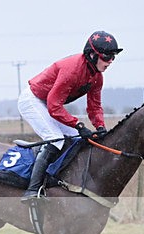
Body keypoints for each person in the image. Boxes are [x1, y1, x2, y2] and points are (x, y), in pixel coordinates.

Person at [17, 30, 122, 201]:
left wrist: (100, 127)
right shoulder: (72, 70)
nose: (110, 61)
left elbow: (94, 107)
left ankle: (61, 181)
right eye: (106, 56)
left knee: (78, 140)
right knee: (56, 139)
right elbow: (54, 106)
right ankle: (32, 189)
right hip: (33, 100)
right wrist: (79, 125)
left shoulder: (97, 77)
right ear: (92, 55)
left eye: (113, 57)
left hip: (49, 102)